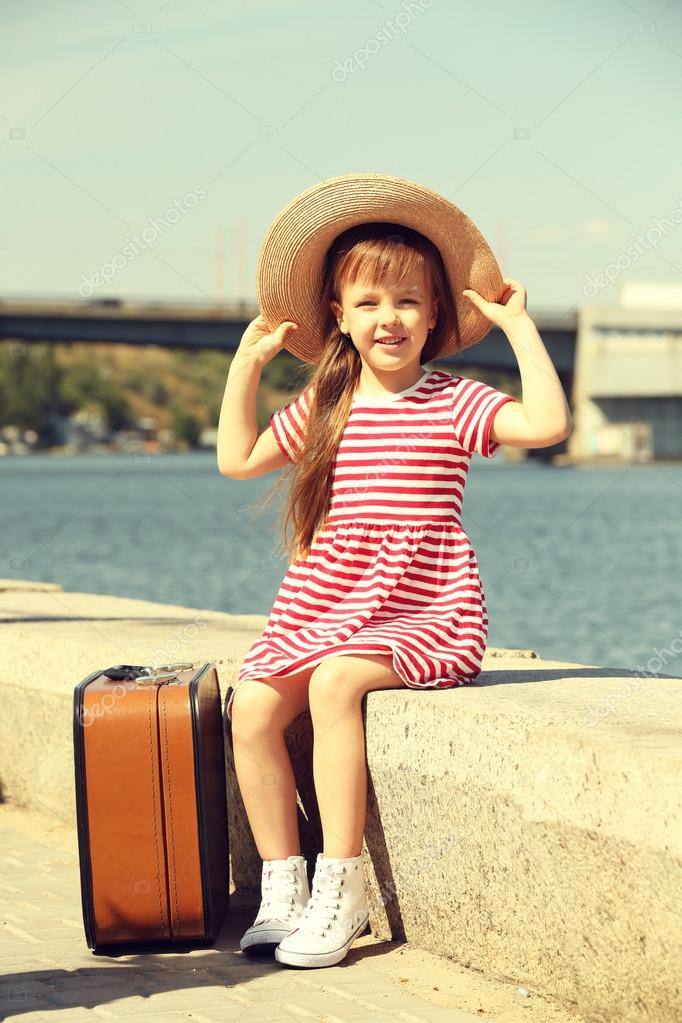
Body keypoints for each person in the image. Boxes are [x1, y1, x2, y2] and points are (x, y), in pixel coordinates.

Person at [216, 173, 572, 970]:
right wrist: (247, 363)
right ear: (338, 315)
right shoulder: (326, 403)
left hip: (426, 605)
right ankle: (287, 888)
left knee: (337, 681)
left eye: (408, 301)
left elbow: (548, 422)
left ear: (436, 315)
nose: (390, 318)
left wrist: (516, 325)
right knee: (254, 708)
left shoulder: (453, 401)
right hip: (329, 595)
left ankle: (342, 888)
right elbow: (237, 460)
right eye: (369, 302)